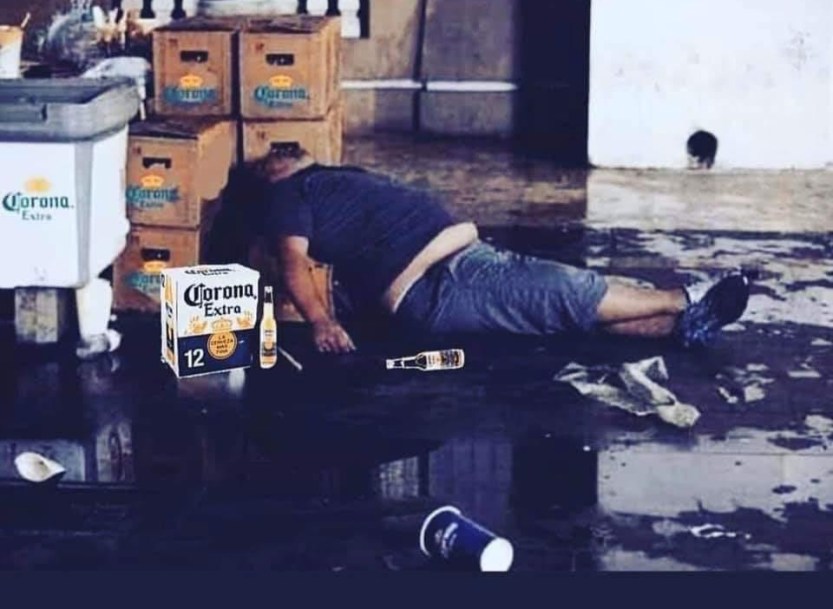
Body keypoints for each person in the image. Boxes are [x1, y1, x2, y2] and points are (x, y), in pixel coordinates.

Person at [247, 147, 751, 354]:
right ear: (271, 174)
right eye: (271, 155)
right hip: (440, 281)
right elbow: (292, 261)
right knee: (563, 289)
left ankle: (683, 328)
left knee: (566, 312)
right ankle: (685, 297)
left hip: (457, 265)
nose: (278, 151)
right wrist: (321, 322)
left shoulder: (327, 177)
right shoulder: (287, 195)